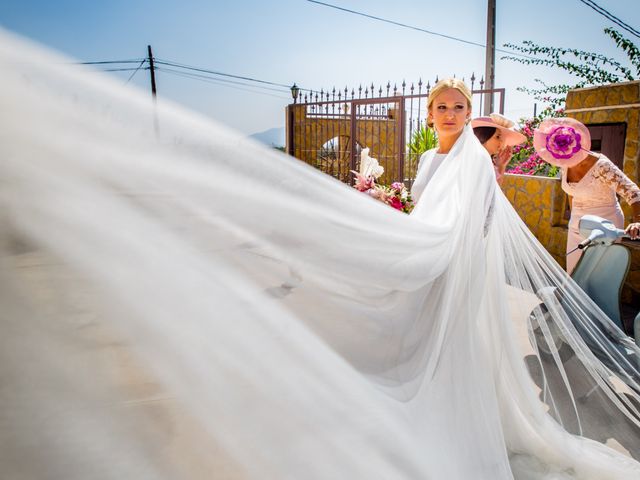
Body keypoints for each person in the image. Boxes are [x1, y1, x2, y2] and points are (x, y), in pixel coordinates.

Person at [2, 32, 640, 480]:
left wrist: (438, 242)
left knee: (440, 349)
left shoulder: (474, 156)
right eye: (440, 107)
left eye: (458, 107)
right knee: (396, 329)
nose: (448, 113)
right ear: (429, 111)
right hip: (423, 253)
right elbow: (423, 210)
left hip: (451, 266)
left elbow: (467, 222)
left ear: (470, 114)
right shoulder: (425, 156)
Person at [533, 117, 640, 273]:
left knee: (600, 275)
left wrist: (638, 221)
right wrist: (574, 218)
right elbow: (572, 193)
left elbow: (633, 192)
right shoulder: (565, 162)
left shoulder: (602, 166)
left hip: (605, 227)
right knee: (575, 273)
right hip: (577, 226)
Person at [472, 113, 527, 185]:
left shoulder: (486, 162)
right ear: (483, 136)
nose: (501, 141)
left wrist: (501, 166)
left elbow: (495, 189)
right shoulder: (474, 162)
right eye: (498, 136)